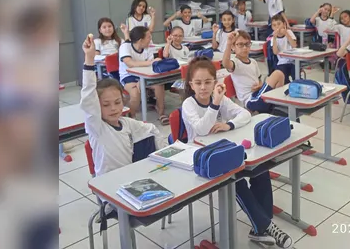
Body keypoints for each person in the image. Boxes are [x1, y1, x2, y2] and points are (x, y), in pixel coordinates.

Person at [180, 58, 293, 248]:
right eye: (198, 83)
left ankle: (261, 228)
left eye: (208, 82)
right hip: (201, 157)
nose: (203, 87)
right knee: (236, 180)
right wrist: (214, 105)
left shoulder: (220, 98)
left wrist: (228, 124)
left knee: (260, 169)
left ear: (215, 82)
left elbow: (245, 114)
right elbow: (201, 130)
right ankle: (265, 226)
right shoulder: (189, 105)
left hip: (221, 147)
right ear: (191, 84)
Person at [80, 34, 167, 176]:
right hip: (107, 185)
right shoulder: (96, 126)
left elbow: (151, 128)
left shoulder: (125, 123)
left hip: (128, 178)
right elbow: (88, 95)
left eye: (117, 102)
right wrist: (89, 59)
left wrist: (165, 150)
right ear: (97, 106)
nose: (113, 108)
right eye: (106, 105)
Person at [222, 30, 286, 113]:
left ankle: (277, 104)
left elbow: (258, 79)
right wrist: (228, 43)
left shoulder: (253, 62)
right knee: (277, 74)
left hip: (258, 94)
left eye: (247, 44)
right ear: (233, 47)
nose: (245, 47)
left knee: (280, 74)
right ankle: (277, 105)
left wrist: (259, 85)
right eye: (240, 44)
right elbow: (225, 64)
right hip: (250, 100)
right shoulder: (235, 62)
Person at [118, 25, 168, 125]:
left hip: (145, 75)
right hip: (128, 76)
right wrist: (150, 62)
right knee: (135, 93)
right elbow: (130, 63)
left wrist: (142, 79)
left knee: (159, 85)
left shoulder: (148, 48)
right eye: (148, 37)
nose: (150, 39)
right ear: (141, 40)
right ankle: (131, 117)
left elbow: (151, 65)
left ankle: (161, 113)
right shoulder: (125, 46)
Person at [270, 14, 298, 84]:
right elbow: (275, 52)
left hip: (293, 61)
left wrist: (286, 34)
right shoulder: (273, 38)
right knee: (282, 76)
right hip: (282, 62)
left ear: (284, 24)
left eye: (279, 24)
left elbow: (294, 45)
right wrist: (274, 38)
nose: (277, 27)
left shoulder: (289, 32)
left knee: (296, 76)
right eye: (274, 25)